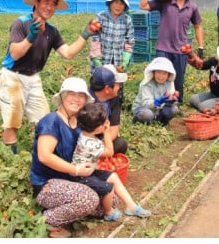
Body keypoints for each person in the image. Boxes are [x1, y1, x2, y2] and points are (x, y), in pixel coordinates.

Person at [0, 0, 98, 154]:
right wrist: (31, 37)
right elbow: (14, 54)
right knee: (12, 121)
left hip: (33, 78)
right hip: (13, 77)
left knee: (45, 119)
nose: (49, 7)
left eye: (53, 4)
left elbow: (67, 53)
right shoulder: (21, 23)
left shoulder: (52, 31)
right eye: (46, 2)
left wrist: (85, 35)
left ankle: (42, 153)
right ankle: (11, 159)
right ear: (36, 3)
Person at [30, 77, 107, 238]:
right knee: (90, 200)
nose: (76, 99)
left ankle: (69, 210)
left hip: (72, 180)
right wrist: (76, 169)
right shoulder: (51, 121)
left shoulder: (77, 121)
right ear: (62, 96)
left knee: (109, 200)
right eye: (71, 94)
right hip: (48, 185)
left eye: (81, 96)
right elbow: (44, 156)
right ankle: (46, 220)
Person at [71, 103, 151, 221]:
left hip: (89, 171)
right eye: (104, 122)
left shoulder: (85, 135)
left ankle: (131, 206)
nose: (106, 123)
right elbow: (109, 152)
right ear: (98, 128)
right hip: (81, 177)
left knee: (113, 176)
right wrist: (106, 132)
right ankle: (108, 212)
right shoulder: (89, 143)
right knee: (108, 188)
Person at [139, 0, 205, 103]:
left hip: (181, 50)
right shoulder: (165, 2)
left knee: (178, 79)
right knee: (159, 77)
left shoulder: (192, 7)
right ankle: (157, 102)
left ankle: (176, 103)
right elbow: (143, 6)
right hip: (163, 48)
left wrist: (201, 46)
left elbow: (198, 26)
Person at [90, 0, 134, 105]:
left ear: (125, 6)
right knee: (100, 82)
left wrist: (125, 60)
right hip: (103, 57)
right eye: (116, 2)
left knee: (117, 83)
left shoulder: (127, 20)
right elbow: (95, 39)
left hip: (118, 59)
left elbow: (130, 41)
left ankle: (115, 104)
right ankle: (97, 104)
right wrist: (97, 59)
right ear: (110, 3)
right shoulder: (100, 17)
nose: (118, 6)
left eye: (121, 4)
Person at [187, 46, 219, 118]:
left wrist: (216, 109)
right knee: (192, 99)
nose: (217, 54)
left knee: (202, 107)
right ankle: (210, 108)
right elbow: (202, 65)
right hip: (213, 94)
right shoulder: (214, 61)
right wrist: (191, 55)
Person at [89, 64, 129, 154]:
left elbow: (114, 128)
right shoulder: (86, 100)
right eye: (117, 84)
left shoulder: (113, 98)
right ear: (107, 88)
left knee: (121, 144)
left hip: (102, 137)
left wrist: (102, 145)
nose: (119, 86)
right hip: (84, 138)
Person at [131, 57, 180, 126]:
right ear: (153, 72)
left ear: (168, 74)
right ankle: (137, 120)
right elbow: (146, 103)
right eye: (158, 72)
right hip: (144, 108)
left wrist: (171, 101)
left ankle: (160, 122)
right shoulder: (147, 83)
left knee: (174, 109)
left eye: (164, 73)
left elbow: (171, 99)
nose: (161, 76)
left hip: (159, 110)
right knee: (147, 115)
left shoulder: (170, 83)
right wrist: (157, 102)